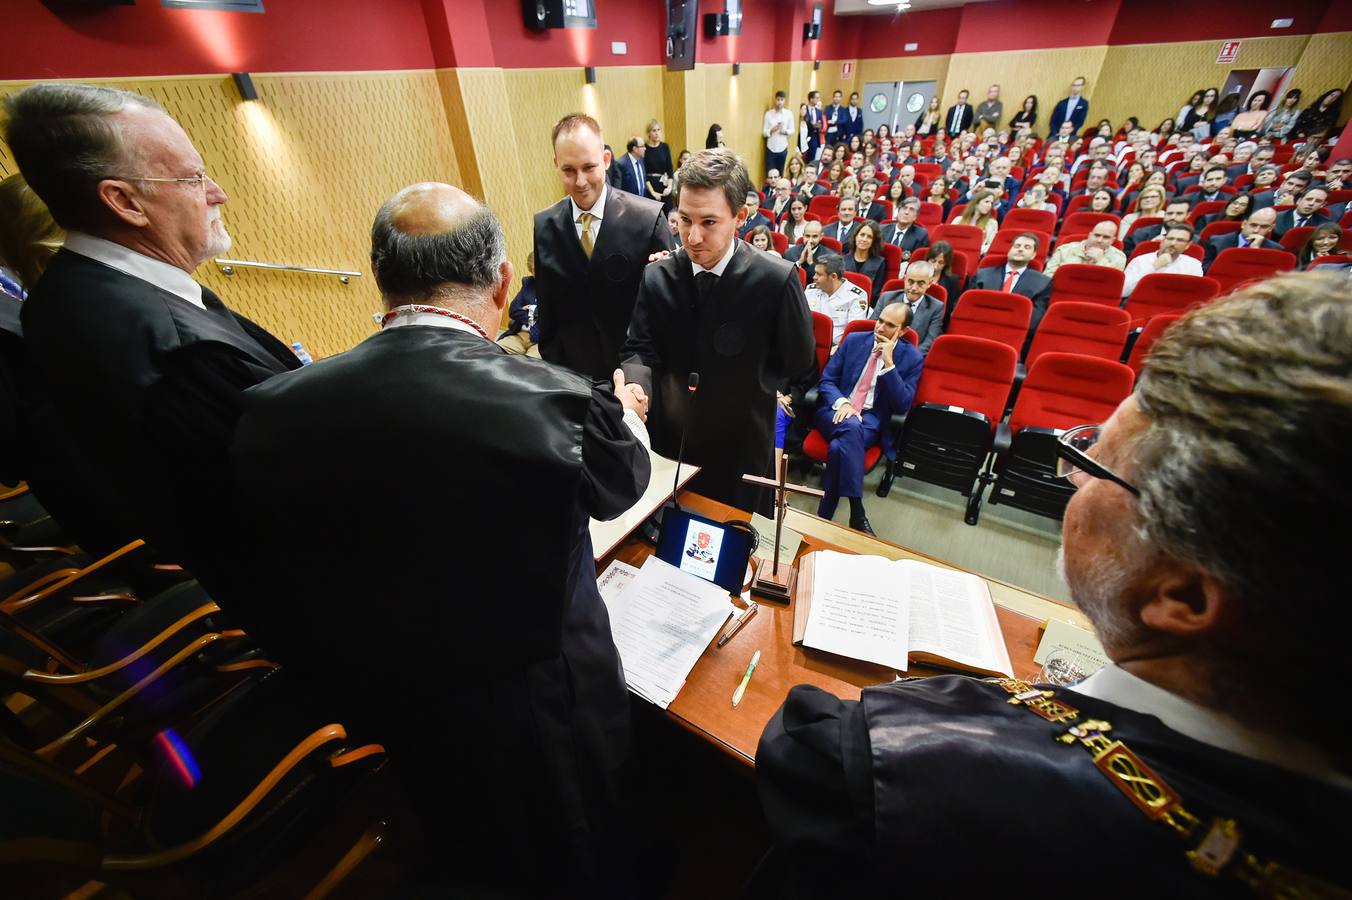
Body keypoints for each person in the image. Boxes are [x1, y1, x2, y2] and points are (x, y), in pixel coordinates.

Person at [756, 269, 1352, 898]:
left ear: (1183, 598)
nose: (1072, 479)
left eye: (1095, 462)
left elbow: (792, 750)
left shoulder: (898, 775)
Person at [230, 182, 650, 897]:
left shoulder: (273, 408)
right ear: (502, 282)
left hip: (386, 683)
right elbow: (623, 484)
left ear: (381, 280)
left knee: (460, 831)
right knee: (577, 849)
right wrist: (631, 416)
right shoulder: (560, 399)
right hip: (540, 699)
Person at [2, 82, 301, 574]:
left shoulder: (61, 291)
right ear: (124, 202)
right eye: (193, 178)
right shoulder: (175, 349)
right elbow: (285, 494)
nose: (217, 193)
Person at [621, 148, 814, 513]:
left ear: (740, 216)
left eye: (709, 222)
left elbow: (798, 358)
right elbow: (639, 349)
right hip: (670, 441)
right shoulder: (657, 275)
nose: (692, 237)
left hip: (740, 446)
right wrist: (635, 386)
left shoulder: (777, 278)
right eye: (684, 220)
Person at [534, 114, 672, 381]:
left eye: (589, 167)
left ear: (606, 160)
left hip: (639, 372)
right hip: (576, 376)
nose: (580, 181)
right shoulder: (544, 224)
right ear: (556, 166)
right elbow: (548, 308)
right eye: (569, 170)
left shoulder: (648, 218)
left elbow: (666, 311)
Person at [813, 301, 922, 536]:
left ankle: (825, 512)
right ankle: (857, 511)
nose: (880, 328)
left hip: (871, 420)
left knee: (837, 448)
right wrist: (843, 403)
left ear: (903, 332)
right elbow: (827, 380)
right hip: (834, 411)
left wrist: (890, 365)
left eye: (890, 325)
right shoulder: (854, 340)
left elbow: (903, 403)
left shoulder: (912, 358)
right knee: (850, 425)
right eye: (880, 320)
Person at [965, 232, 1053, 334]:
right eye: (1017, 246)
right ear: (1009, 250)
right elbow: (967, 305)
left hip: (1014, 333)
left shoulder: (1042, 283)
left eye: (1027, 247)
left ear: (1033, 255)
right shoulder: (983, 274)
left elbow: (1036, 318)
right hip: (978, 327)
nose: (1020, 249)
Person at [870, 259, 944, 354]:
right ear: (905, 279)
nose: (913, 288)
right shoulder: (887, 298)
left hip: (909, 357)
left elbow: (929, 343)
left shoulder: (936, 307)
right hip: (878, 350)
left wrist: (908, 357)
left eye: (920, 283)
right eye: (910, 281)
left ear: (929, 283)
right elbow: (871, 327)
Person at [805, 252, 872, 348]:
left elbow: (853, 333)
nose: (814, 277)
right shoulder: (810, 290)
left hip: (837, 348)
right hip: (809, 343)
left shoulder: (856, 296)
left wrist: (838, 350)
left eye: (819, 274)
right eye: (815, 273)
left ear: (833, 276)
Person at [1121, 222, 1203, 297]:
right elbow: (1123, 291)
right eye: (1170, 239)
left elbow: (1194, 296)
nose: (1172, 243)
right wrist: (1153, 267)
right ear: (1163, 240)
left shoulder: (1194, 265)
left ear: (1187, 245)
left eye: (1180, 240)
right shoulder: (1140, 261)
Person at [1202, 207, 1280, 270]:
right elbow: (1206, 269)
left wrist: (1256, 253)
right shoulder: (1216, 242)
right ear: (1244, 224)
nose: (1256, 231)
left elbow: (1269, 276)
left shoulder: (1276, 250)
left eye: (1264, 227)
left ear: (1271, 228)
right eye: (1253, 225)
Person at [1044, 220, 1127, 276]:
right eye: (1097, 235)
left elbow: (1112, 285)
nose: (1099, 240)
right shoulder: (1065, 250)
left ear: (1112, 240)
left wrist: (1100, 261)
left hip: (1096, 297)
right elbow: (1048, 277)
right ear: (1090, 235)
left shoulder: (1119, 257)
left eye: (1106, 237)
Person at [496, 251, 539, 355]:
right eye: (533, 270)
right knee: (493, 350)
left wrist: (530, 310)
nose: (535, 273)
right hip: (520, 336)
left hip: (541, 341)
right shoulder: (528, 283)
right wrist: (535, 315)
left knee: (530, 365)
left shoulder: (558, 288)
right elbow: (513, 311)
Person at [844, 220, 886, 303]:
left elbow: (875, 293)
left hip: (865, 304)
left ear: (874, 241)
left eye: (869, 237)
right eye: (862, 235)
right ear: (856, 236)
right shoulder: (843, 259)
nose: (864, 239)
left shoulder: (880, 263)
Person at [643, 118, 674, 210]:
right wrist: (652, 192)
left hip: (664, 185)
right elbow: (644, 174)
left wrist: (669, 187)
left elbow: (670, 168)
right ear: (648, 133)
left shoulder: (665, 147)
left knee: (668, 214)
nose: (657, 133)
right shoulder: (645, 149)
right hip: (651, 187)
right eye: (654, 130)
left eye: (658, 130)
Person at [956, 189, 1000, 255]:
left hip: (976, 255)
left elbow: (991, 245)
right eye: (986, 202)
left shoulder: (992, 223)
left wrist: (975, 249)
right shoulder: (958, 220)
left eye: (991, 203)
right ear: (976, 203)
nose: (989, 205)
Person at [763, 90, 796, 178]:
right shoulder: (768, 114)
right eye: (778, 99)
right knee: (769, 172)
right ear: (775, 100)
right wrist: (771, 130)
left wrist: (784, 131)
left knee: (780, 172)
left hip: (783, 147)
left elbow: (792, 130)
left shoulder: (789, 114)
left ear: (784, 100)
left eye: (781, 100)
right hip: (771, 147)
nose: (779, 102)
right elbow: (764, 133)